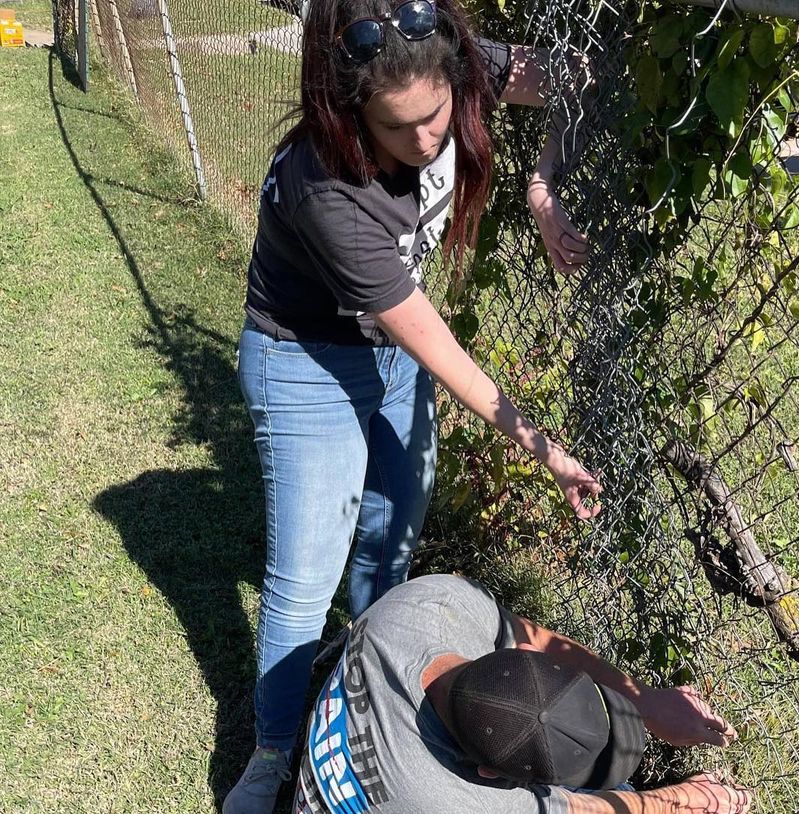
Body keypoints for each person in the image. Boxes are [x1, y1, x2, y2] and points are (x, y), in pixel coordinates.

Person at [227, 0, 601, 811]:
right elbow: (441, 348)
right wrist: (545, 448)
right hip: (304, 360)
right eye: (397, 130)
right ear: (347, 109)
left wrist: (542, 190)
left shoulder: (460, 68)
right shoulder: (324, 186)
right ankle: (274, 751)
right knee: (305, 575)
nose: (427, 140)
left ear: (454, 75)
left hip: (389, 356)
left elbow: (580, 75)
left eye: (435, 115)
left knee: (387, 542)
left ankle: (365, 693)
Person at [293, 574, 753, 814]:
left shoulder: (428, 604)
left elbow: (530, 632)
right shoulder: (460, 800)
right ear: (489, 772)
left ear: (526, 654)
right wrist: (683, 799)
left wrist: (645, 700)